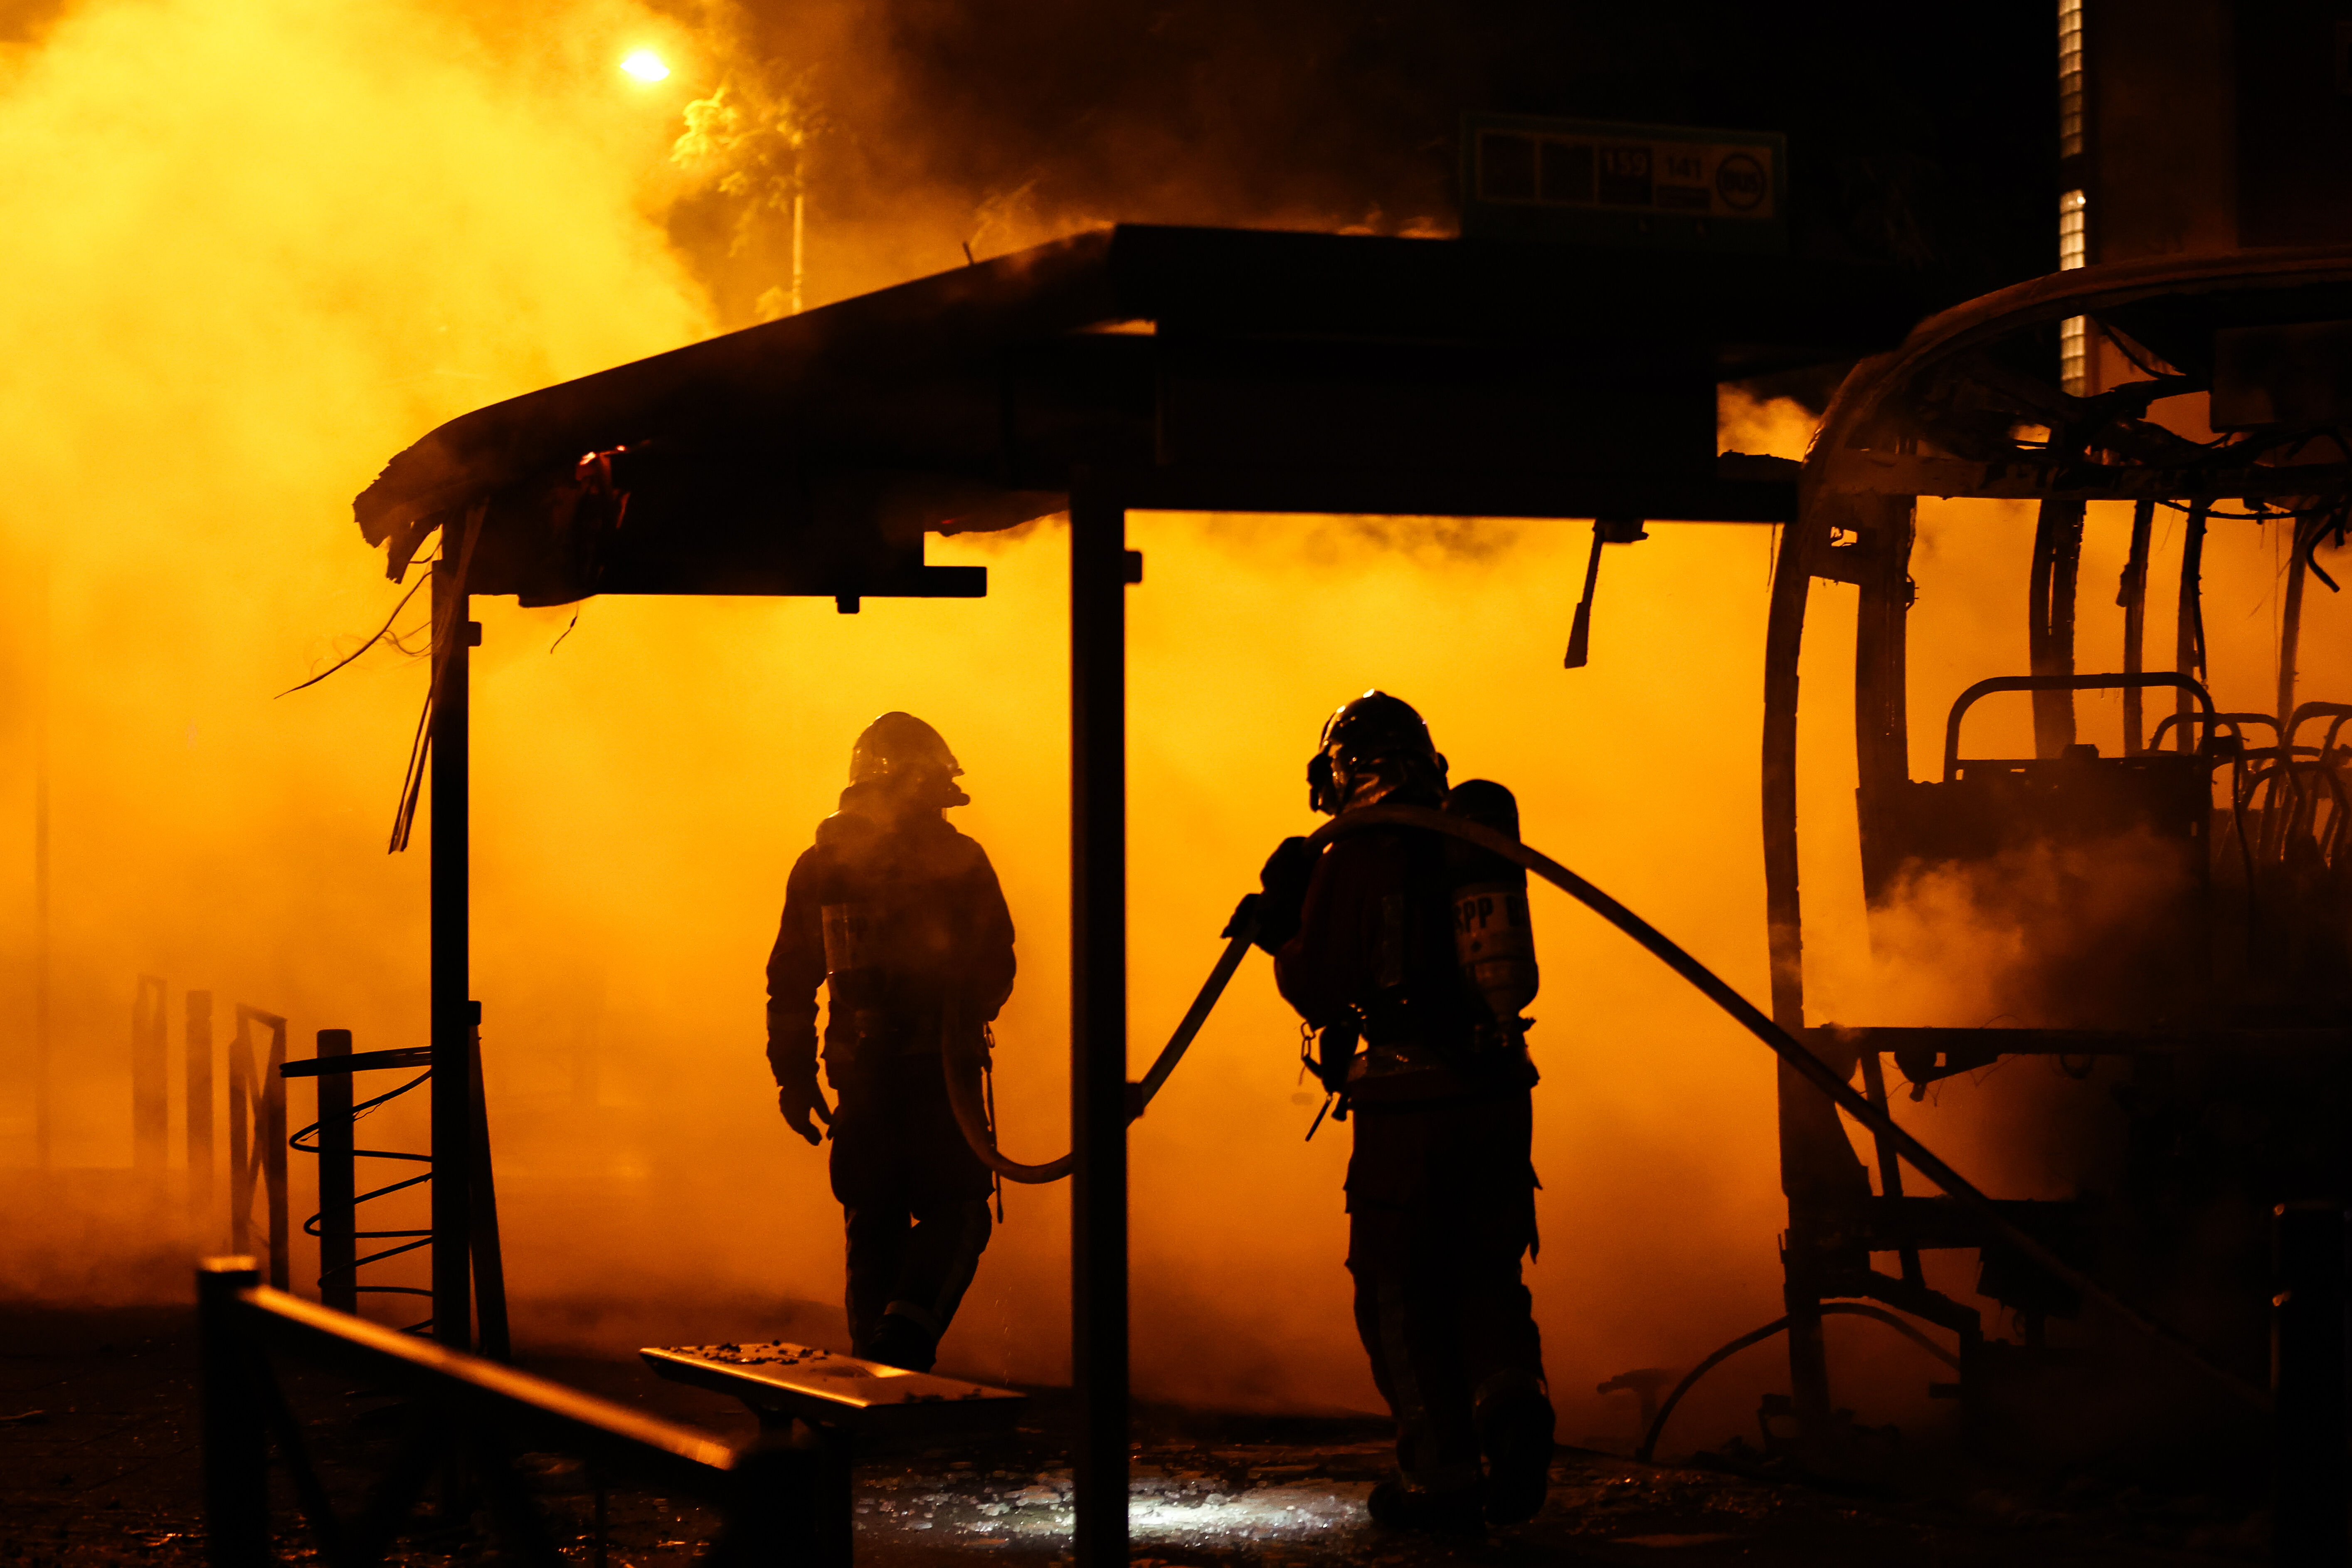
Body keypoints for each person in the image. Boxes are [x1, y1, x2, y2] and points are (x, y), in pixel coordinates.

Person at [1250, 690, 1555, 1531]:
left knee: (1400, 1287)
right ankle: (1511, 1406)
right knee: (1487, 1276)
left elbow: (1320, 982)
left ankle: (1440, 1476)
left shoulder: (1353, 850)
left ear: (1342, 769)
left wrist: (1281, 928)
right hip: (1497, 1094)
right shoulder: (1469, 839)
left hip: (1404, 1109)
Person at [764, 712, 1016, 1373]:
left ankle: (865, 1375)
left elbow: (790, 979)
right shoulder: (961, 861)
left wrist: (792, 1077)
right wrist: (957, 1003)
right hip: (939, 1076)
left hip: (859, 1075)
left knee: (870, 1224)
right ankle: (901, 1343)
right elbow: (999, 968)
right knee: (959, 1212)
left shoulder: (820, 864)